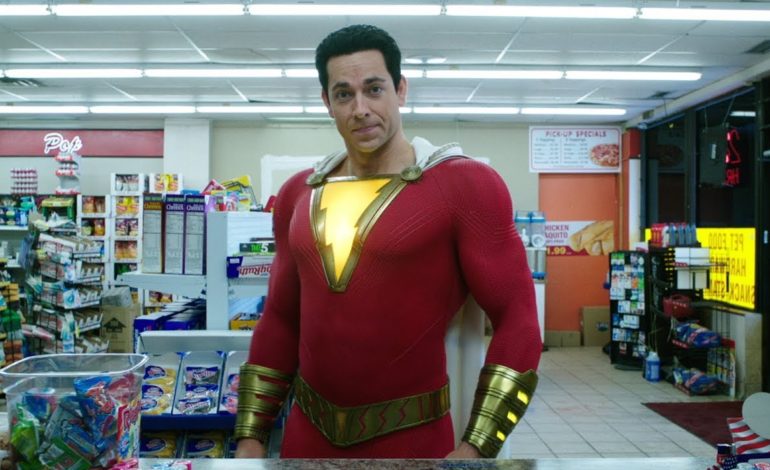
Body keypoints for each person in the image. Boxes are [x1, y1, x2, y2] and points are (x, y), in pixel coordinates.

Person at [235, 24, 542, 459]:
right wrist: (250, 436)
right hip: (306, 438)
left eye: (374, 89)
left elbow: (519, 319)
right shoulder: (297, 195)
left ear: (400, 90)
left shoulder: (466, 186)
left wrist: (476, 448)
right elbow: (281, 320)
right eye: (344, 94)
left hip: (415, 441)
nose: (360, 109)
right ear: (327, 102)